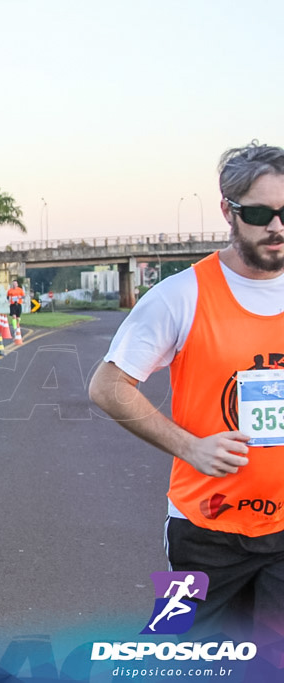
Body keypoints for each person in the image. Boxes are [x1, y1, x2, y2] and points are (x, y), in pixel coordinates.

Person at [89, 143, 284, 639]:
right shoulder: (181, 295)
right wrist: (190, 447)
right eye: (261, 213)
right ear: (228, 211)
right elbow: (109, 386)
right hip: (203, 529)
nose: (277, 228)